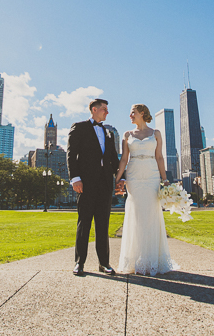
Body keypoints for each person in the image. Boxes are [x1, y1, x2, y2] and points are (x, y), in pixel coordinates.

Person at [114, 104, 178, 275]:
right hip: (134, 176)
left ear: (142, 113)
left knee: (151, 214)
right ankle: (134, 260)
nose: (130, 116)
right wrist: (118, 178)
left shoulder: (156, 133)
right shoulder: (127, 135)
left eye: (132, 112)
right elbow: (124, 160)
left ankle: (152, 260)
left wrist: (165, 179)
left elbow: (159, 157)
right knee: (135, 213)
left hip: (151, 176)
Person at [67, 98, 121, 277]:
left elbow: (113, 159)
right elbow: (71, 154)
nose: (107, 112)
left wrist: (120, 178)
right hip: (85, 184)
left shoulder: (109, 133)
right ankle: (79, 262)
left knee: (103, 225)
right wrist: (75, 178)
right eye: (104, 109)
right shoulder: (79, 127)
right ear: (94, 110)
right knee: (84, 224)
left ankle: (104, 263)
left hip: (105, 185)